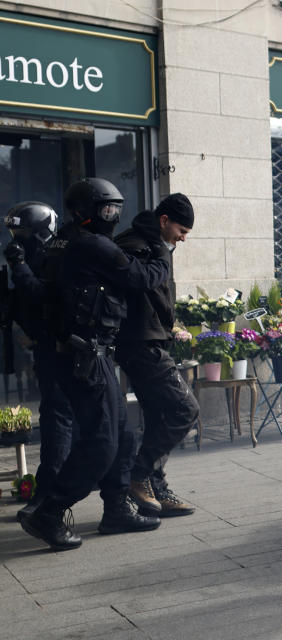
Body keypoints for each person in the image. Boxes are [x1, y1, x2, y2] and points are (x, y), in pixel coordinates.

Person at [19, 178, 170, 551]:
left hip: (77, 352)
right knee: (101, 442)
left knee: (123, 430)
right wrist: (160, 246)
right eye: (107, 209)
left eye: (117, 209)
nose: (113, 216)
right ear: (85, 211)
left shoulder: (60, 241)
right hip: (83, 355)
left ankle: (117, 507)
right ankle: (50, 511)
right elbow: (144, 277)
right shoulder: (92, 245)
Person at [114, 193, 200, 518]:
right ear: (164, 221)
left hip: (151, 341)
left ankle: (156, 488)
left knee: (158, 416)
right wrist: (163, 254)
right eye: (182, 230)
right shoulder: (138, 245)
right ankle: (138, 475)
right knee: (185, 409)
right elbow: (139, 285)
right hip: (141, 344)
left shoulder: (152, 245)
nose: (183, 238)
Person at [3, 202, 78, 519]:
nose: (15, 240)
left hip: (67, 351)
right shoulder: (33, 255)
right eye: (13, 234)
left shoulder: (55, 257)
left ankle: (50, 495)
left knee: (60, 419)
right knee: (56, 417)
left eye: (21, 233)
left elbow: (39, 294)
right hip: (46, 349)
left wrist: (18, 266)